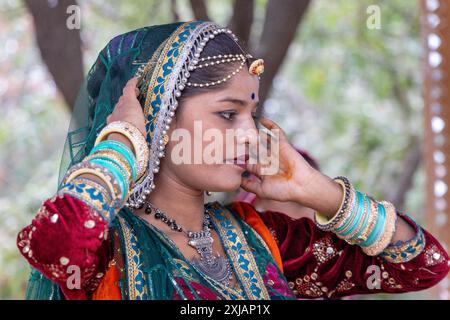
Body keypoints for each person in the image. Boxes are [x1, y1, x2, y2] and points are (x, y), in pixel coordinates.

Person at [17, 21, 449, 300]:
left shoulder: (265, 238)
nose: (250, 134)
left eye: (251, 114)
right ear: (160, 119)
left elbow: (423, 264)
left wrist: (316, 190)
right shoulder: (107, 247)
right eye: (228, 114)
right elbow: (55, 244)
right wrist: (122, 144)